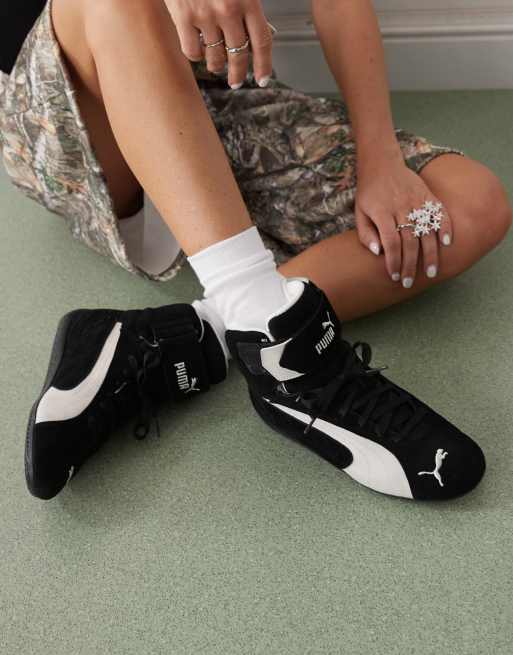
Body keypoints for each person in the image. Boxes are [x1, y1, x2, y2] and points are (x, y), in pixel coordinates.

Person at [2, 0, 510, 502]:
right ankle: (291, 359)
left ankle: (188, 336)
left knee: (468, 205)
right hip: (71, 98)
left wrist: (380, 160)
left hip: (214, 89)